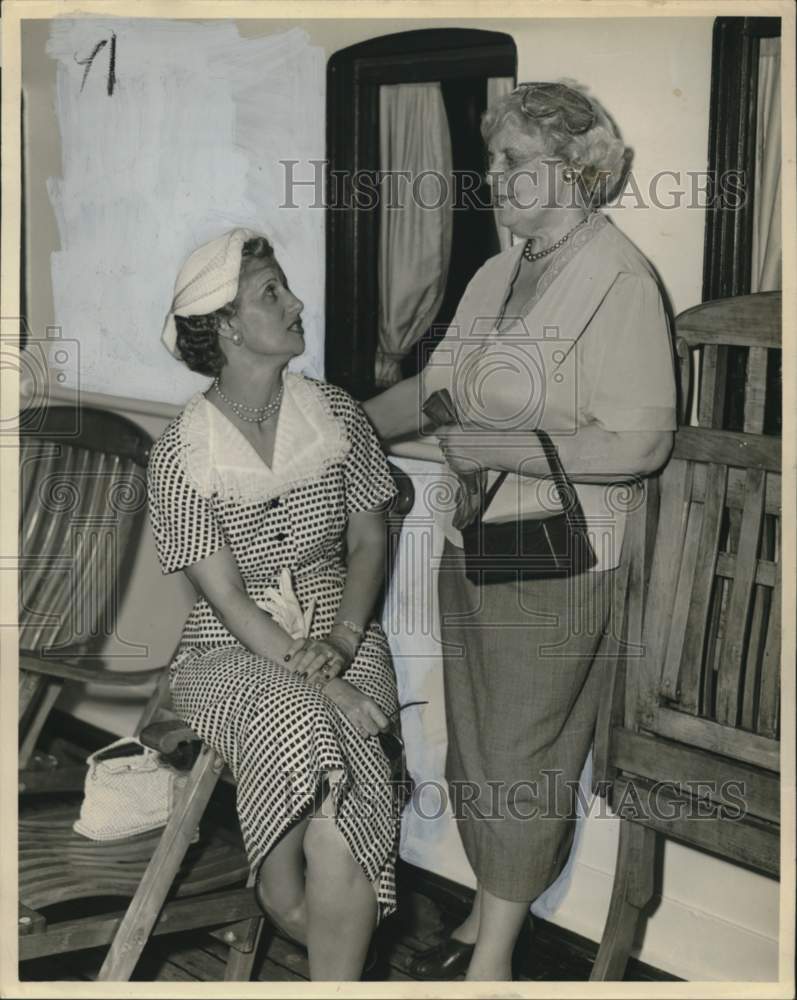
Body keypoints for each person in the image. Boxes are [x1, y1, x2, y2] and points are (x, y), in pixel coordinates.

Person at [363, 81, 677, 981]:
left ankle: (492, 963)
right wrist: (339, 426)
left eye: (511, 161)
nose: (492, 177)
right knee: (475, 745)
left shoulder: (618, 279)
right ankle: (482, 922)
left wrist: (507, 446)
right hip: (475, 538)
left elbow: (642, 442)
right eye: (491, 159)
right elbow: (438, 388)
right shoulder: (499, 271)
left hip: (559, 555)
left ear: (573, 170)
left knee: (520, 754)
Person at [148, 228, 401, 981]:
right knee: (307, 713)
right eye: (271, 293)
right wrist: (328, 682)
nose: (295, 304)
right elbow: (225, 598)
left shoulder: (337, 414)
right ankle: (282, 890)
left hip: (343, 626)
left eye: (286, 288)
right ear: (226, 325)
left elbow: (368, 540)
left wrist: (345, 643)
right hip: (229, 647)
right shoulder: (181, 452)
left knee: (340, 799)